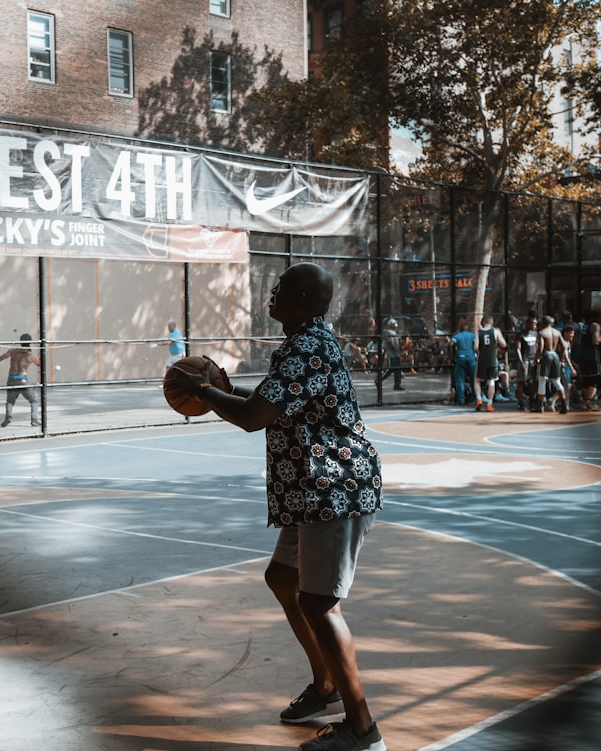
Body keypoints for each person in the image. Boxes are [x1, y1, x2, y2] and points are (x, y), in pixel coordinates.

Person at [167, 262, 386, 751]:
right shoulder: (304, 342)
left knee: (319, 602)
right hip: (309, 491)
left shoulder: (307, 346)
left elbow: (252, 418)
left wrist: (203, 390)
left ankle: (363, 731)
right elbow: (271, 404)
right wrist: (220, 390)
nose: (272, 294)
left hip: (333, 488)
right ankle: (325, 687)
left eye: (283, 289)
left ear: (305, 300)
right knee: (284, 579)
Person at [0, 334, 41, 427]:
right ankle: (34, 419)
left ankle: (8, 418)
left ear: (20, 341)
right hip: (22, 380)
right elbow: (39, 364)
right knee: (33, 401)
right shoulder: (29, 356)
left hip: (11, 379)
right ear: (30, 343)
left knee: (10, 401)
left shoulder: (12, 351)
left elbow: (0, 358)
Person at [533, 316, 567, 414]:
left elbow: (541, 348)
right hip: (555, 355)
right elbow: (564, 346)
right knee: (556, 381)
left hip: (546, 356)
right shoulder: (557, 332)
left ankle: (540, 406)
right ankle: (564, 405)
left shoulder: (542, 333)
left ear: (543, 322)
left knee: (542, 380)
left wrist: (536, 358)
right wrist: (561, 359)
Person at [473, 315, 507, 412]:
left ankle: (479, 399)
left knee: (477, 380)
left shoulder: (478, 332)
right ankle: (490, 403)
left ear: (482, 322)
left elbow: (475, 347)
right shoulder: (496, 331)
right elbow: (504, 344)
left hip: (481, 360)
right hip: (493, 360)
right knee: (491, 380)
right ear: (492, 323)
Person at [449, 324, 476, 406]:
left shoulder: (457, 336)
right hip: (471, 357)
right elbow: (476, 344)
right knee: (474, 379)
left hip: (460, 357)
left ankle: (461, 400)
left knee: (460, 379)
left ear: (460, 329)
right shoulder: (472, 335)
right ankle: (475, 399)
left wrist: (452, 356)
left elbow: (450, 344)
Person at [515, 316, 538, 411]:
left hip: (533, 359)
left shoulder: (535, 333)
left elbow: (537, 346)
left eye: (536, 324)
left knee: (534, 380)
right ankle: (520, 401)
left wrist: (537, 358)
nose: (535, 326)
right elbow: (518, 348)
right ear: (528, 324)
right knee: (521, 381)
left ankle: (532, 399)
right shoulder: (520, 334)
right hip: (525, 359)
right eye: (533, 324)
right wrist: (521, 362)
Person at [375, 319, 404, 391]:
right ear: (391, 325)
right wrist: (398, 351)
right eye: (395, 323)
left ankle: (397, 385)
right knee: (390, 369)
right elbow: (391, 343)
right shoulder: (390, 332)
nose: (396, 324)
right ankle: (379, 379)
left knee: (397, 370)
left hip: (396, 355)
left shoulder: (394, 332)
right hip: (392, 355)